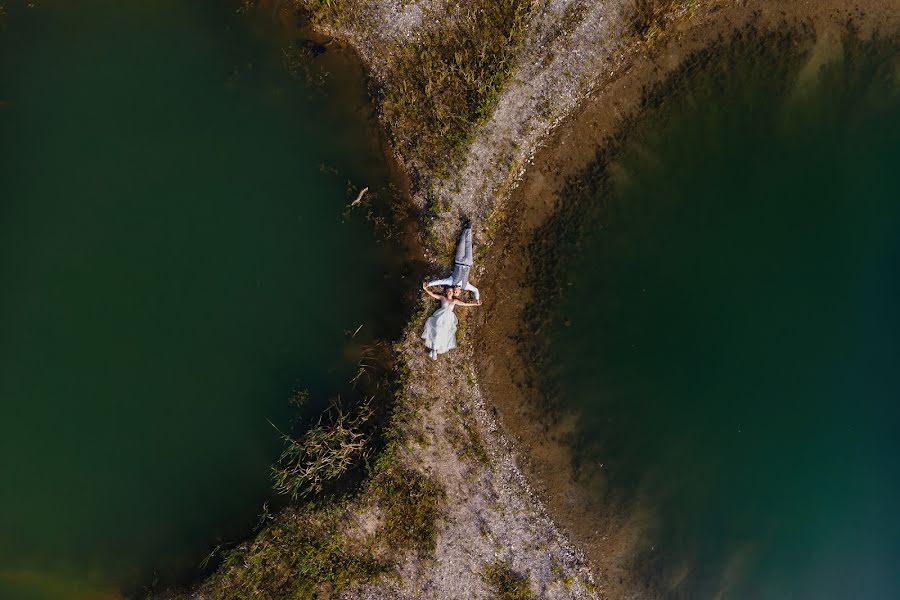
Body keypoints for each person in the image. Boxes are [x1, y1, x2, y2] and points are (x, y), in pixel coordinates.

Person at [421, 282, 480, 360]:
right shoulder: (443, 298)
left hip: (449, 319)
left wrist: (474, 304)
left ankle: (436, 350)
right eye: (448, 291)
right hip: (440, 316)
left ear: (453, 293)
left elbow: (464, 304)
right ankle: (434, 349)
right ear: (446, 292)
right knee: (437, 331)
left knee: (444, 333)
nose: (450, 292)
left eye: (451, 291)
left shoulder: (454, 301)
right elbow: (433, 294)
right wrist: (426, 289)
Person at [425, 221, 480, 302]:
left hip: (459, 261)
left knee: (462, 243)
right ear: (460, 292)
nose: (455, 291)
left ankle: (466, 228)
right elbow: (476, 290)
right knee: (468, 244)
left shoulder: (451, 282)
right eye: (456, 292)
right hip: (468, 263)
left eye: (454, 292)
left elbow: (440, 281)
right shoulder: (466, 286)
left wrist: (429, 284)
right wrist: (477, 299)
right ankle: (468, 228)